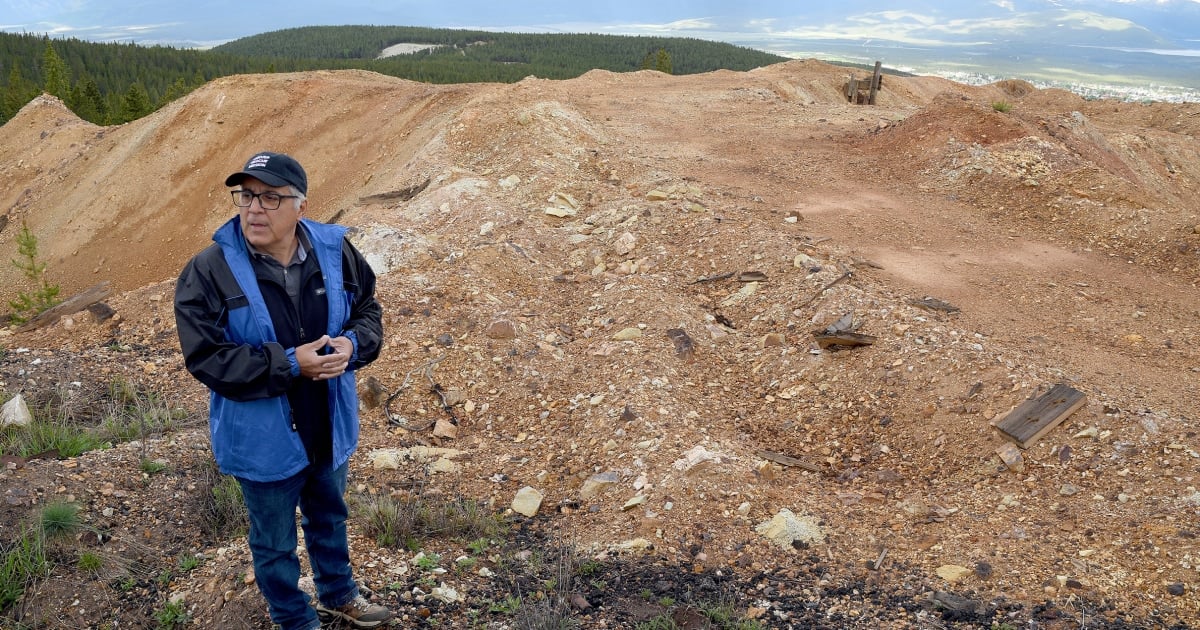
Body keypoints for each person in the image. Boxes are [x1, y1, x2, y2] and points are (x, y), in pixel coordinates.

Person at [174, 151, 391, 630]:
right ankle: (293, 619)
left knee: (330, 517)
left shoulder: (336, 253)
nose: (253, 208)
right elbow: (207, 358)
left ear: (300, 205)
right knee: (273, 541)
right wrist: (292, 363)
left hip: (327, 421)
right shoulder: (209, 270)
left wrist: (352, 345)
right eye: (246, 196)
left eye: (270, 197)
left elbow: (368, 311)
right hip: (263, 435)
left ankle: (338, 594)